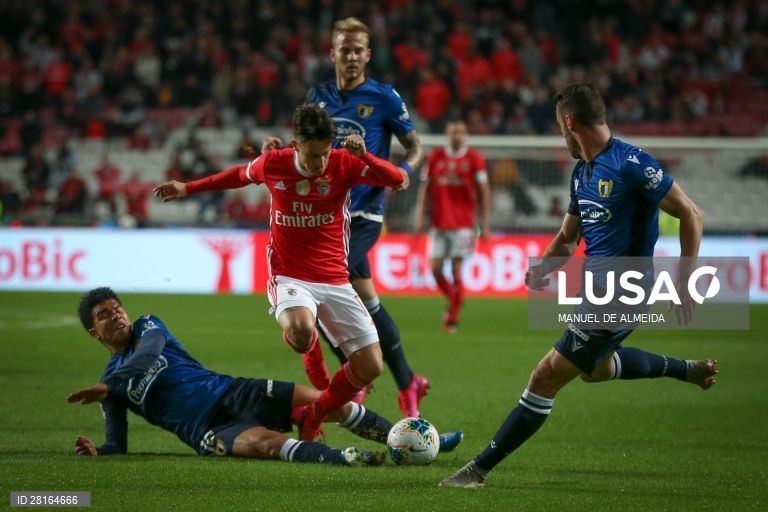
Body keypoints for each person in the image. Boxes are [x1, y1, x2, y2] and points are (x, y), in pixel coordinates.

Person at [440, 83, 716, 488]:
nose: (561, 135)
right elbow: (569, 238)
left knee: (544, 377)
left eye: (560, 128)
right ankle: (685, 370)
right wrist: (543, 268)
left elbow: (692, 213)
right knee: (596, 369)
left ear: (570, 122)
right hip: (595, 292)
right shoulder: (582, 171)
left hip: (623, 294)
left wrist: (687, 279)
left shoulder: (631, 163)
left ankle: (478, 469)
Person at [153, 104, 408, 443]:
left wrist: (365, 156)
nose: (320, 163)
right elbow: (236, 176)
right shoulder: (273, 163)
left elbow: (398, 180)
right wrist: (188, 188)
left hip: (335, 277)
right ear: (295, 143)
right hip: (290, 275)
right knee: (302, 330)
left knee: (371, 366)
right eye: (313, 154)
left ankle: (314, 414)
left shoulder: (343, 163)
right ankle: (310, 346)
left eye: (325, 153)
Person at [68, 287, 462, 464]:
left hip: (235, 390)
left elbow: (150, 354)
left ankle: (411, 440)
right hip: (207, 429)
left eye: (117, 308)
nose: (117, 316)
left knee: (333, 406)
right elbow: (117, 444)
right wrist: (99, 451)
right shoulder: (112, 386)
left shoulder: (147, 327)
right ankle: (349, 460)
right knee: (268, 446)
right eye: (105, 315)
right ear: (93, 333)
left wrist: (109, 384)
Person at [263, 17, 429, 418]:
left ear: (368, 55)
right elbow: (303, 146)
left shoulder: (385, 97)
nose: (352, 56)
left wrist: (404, 173)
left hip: (364, 212)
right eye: (345, 49)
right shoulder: (317, 95)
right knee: (368, 302)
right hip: (324, 216)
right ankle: (408, 383)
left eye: (359, 50)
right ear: (332, 53)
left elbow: (415, 147)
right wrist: (278, 150)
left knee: (322, 277)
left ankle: (358, 374)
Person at [414, 120, 491, 332]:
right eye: (453, 131)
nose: (457, 135)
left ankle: (453, 318)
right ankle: (455, 299)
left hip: (464, 224)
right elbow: (426, 189)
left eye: (460, 132)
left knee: (456, 269)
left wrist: (484, 223)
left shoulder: (474, 159)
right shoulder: (436, 157)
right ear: (447, 134)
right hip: (439, 222)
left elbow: (484, 192)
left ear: (465, 135)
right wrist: (420, 216)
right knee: (435, 267)